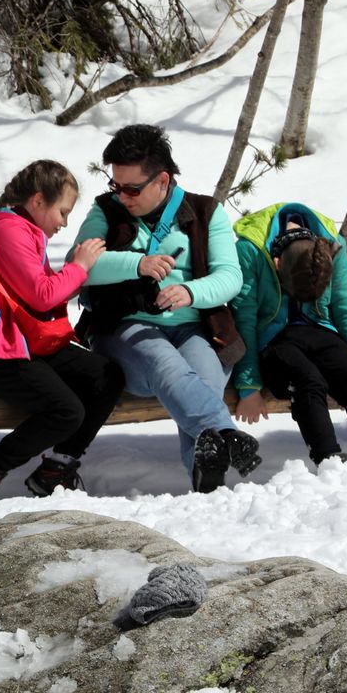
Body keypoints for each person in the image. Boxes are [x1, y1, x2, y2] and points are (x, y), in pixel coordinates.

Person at [70, 124, 261, 492]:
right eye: (116, 185)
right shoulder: (105, 210)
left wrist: (189, 292)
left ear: (162, 180)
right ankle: (225, 432)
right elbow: (80, 264)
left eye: (131, 188)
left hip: (194, 328)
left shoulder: (206, 212)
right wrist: (135, 264)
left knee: (205, 378)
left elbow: (229, 277)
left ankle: (208, 485)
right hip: (124, 327)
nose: (121, 195)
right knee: (165, 362)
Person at [0, 160, 124, 504]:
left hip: (20, 344)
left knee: (106, 376)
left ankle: (56, 468)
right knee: (66, 411)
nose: (64, 222)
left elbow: (37, 297)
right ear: (39, 200)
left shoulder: (25, 232)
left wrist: (73, 277)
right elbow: (41, 294)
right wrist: (79, 267)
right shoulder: (7, 230)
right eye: (62, 211)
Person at [231, 203, 347, 463]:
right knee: (307, 380)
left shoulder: (331, 245)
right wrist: (248, 385)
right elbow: (244, 319)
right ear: (276, 263)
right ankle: (328, 459)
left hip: (318, 329)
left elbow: (345, 308)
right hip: (274, 339)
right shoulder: (250, 249)